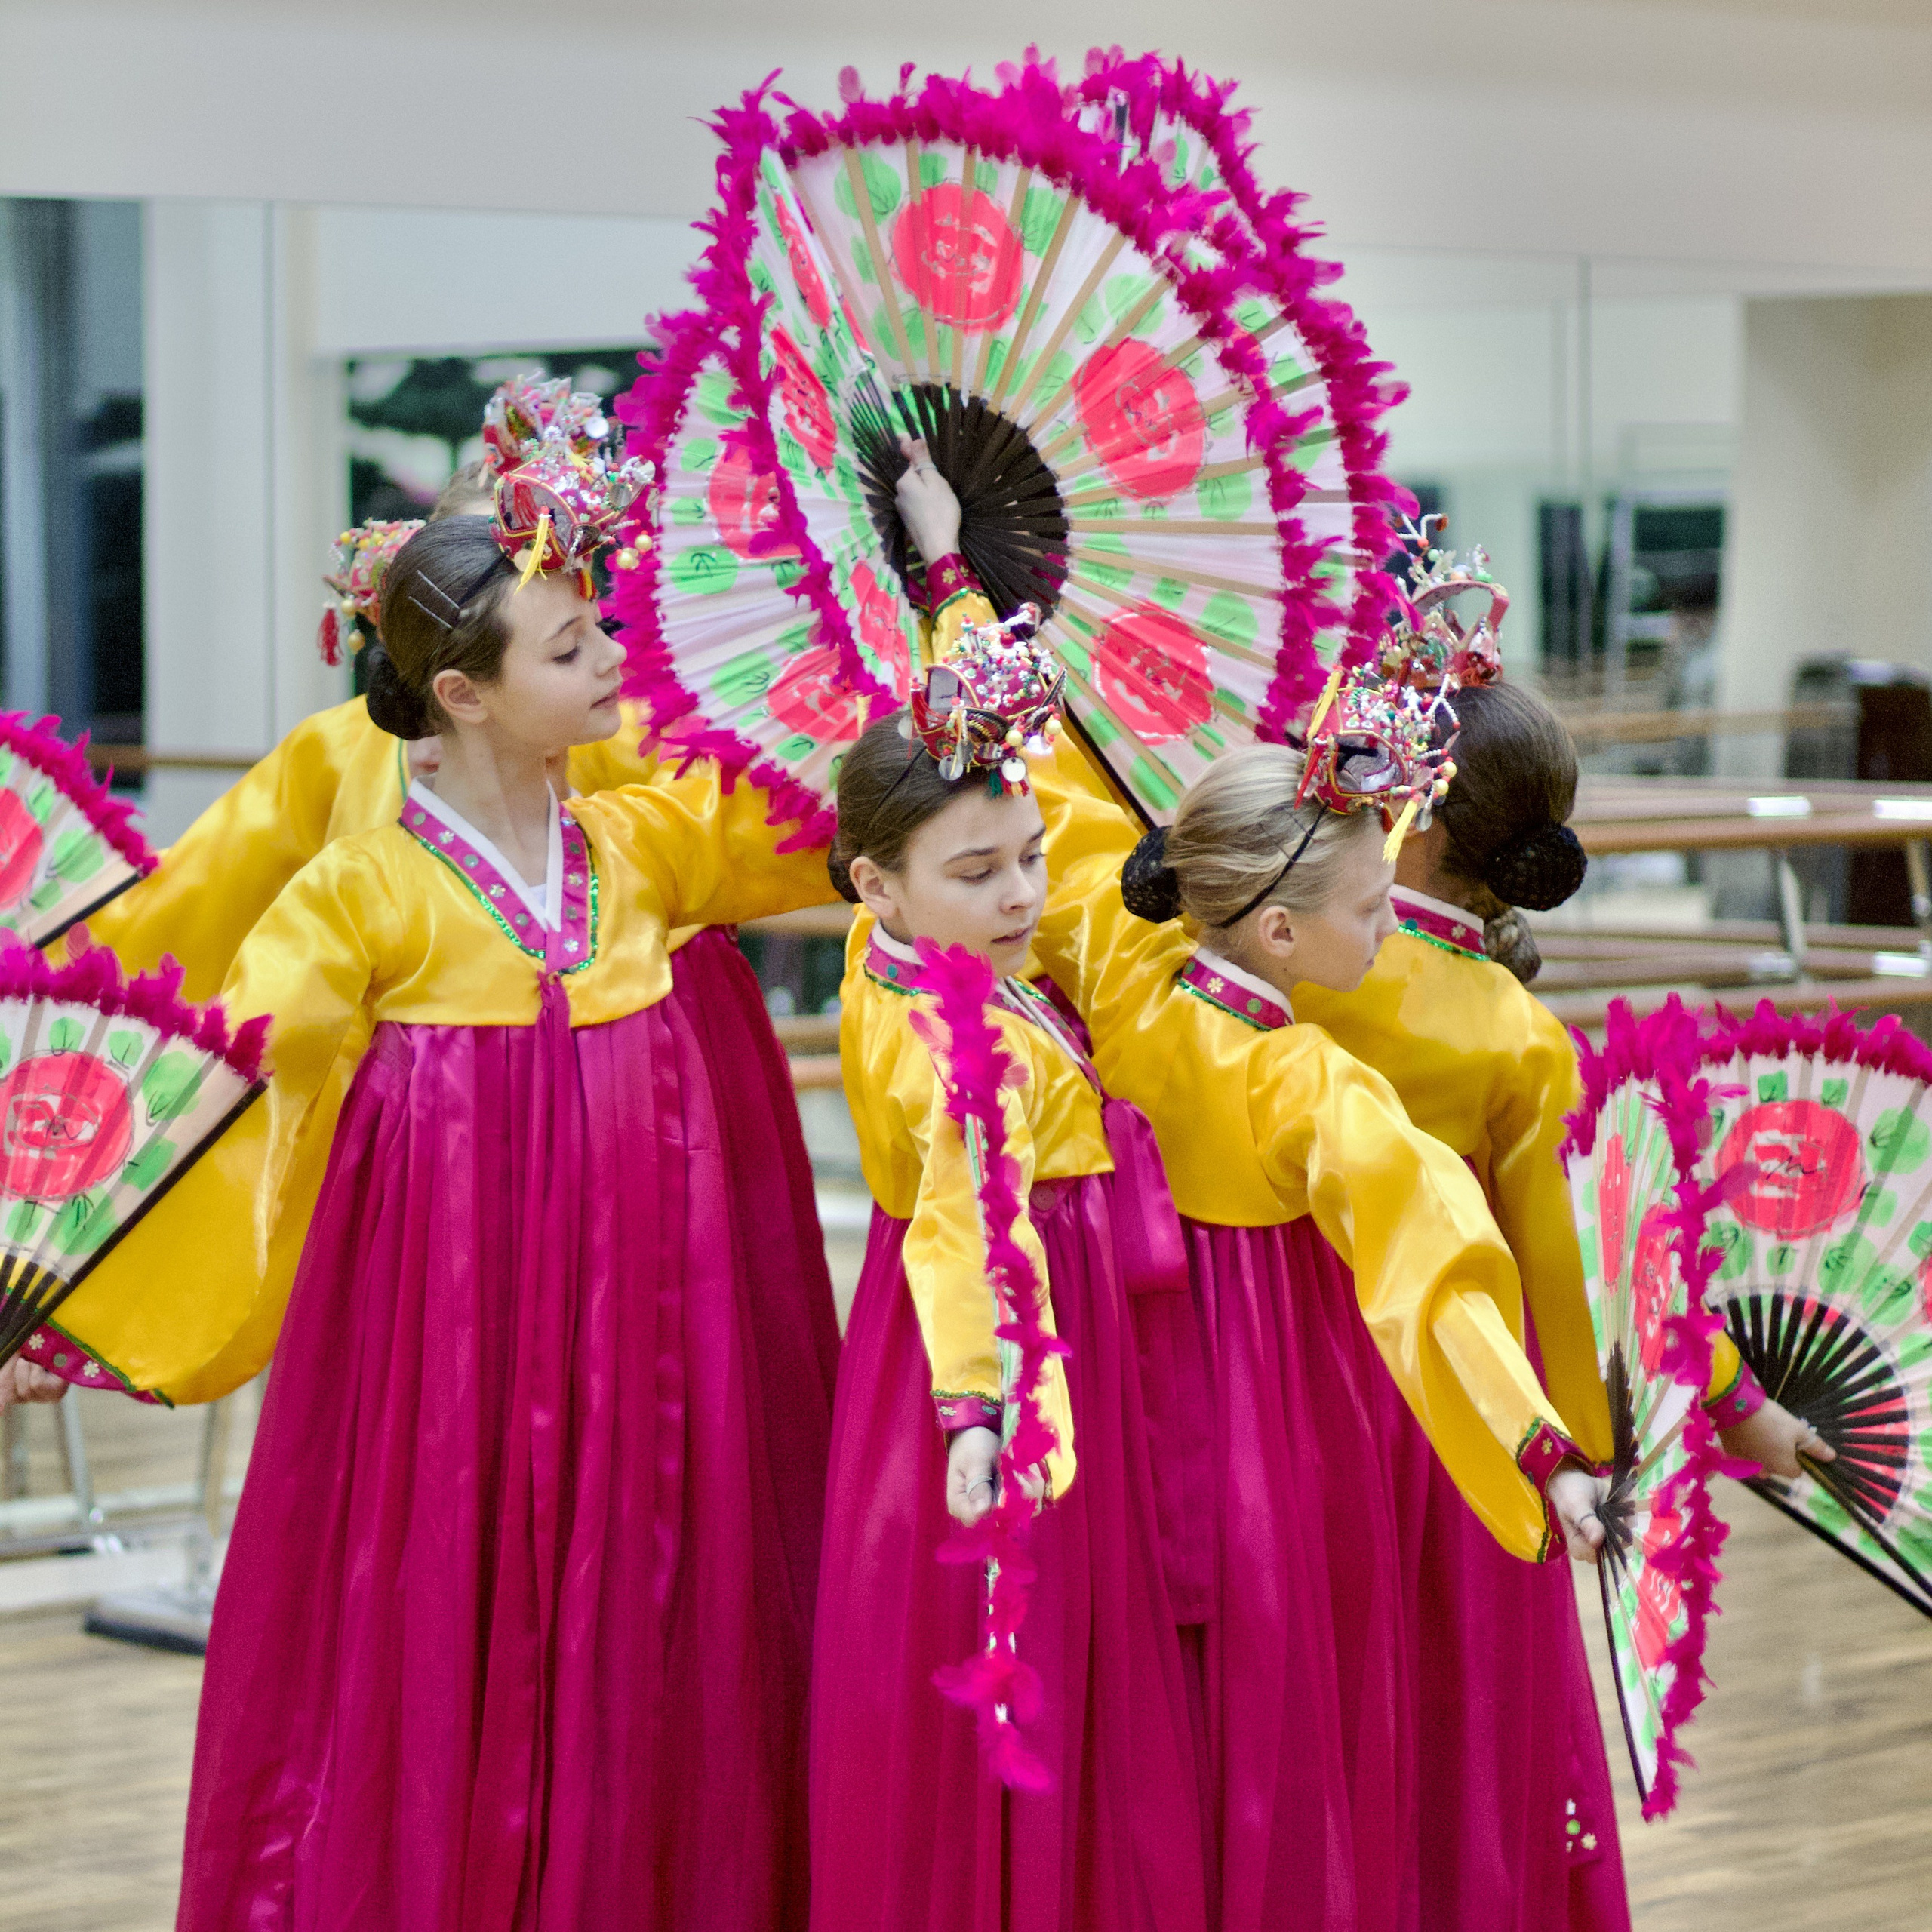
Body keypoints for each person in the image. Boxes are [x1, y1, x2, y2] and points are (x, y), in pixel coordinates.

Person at [45, 457, 839, 1929]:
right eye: (569, 645)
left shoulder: (647, 845)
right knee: (437, 1654)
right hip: (444, 1377)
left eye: (599, 627)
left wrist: (918, 640)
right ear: (461, 692)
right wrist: (77, 1303)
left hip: (647, 1360)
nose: (612, 658)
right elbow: (240, 1105)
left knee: (653, 1636)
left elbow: (829, 817)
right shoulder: (359, 897)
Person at [1024, 692, 1608, 1932]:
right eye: (1373, 910)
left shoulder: (1133, 968)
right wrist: (1537, 1439)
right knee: (1289, 1702)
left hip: (1134, 1385)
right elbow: (1429, 1241)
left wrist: (964, 606)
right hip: (1275, 1395)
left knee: (1177, 1715)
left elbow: (1074, 823)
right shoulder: (1308, 1076)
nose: (1391, 929)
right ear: (1282, 930)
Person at [1292, 637, 1831, 1928]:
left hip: (1291, 1365)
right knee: (1452, 1714)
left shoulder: (1282, 952)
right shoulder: (1512, 1035)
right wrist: (1728, 1396)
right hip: (1463, 1407)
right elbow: (1586, 1269)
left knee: (1314, 1722)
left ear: (1405, 821)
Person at [808, 609, 1210, 1932]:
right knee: (1020, 1656)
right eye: (981, 873)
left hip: (999, 1338)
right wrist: (981, 1405)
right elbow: (969, 1215)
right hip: (1004, 1346)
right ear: (876, 886)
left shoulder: (910, 957)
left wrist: (953, 594)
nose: (1027, 894)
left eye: (1032, 858)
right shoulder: (951, 1035)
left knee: (1049, 1658)